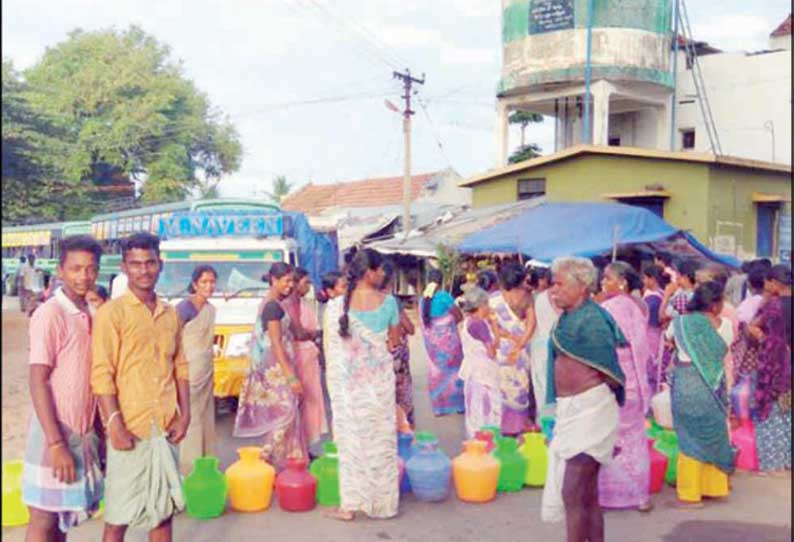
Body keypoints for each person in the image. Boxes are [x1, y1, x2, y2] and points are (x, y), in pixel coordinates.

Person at [91, 232, 190, 541]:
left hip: (165, 426)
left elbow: (180, 366)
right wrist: (113, 423)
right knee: (118, 516)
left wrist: (185, 414)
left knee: (162, 512)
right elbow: (101, 374)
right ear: (124, 267)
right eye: (135, 264)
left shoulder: (169, 313)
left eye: (149, 263)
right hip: (128, 427)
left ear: (160, 265)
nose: (143, 271)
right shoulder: (112, 313)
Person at [22, 236, 104, 542]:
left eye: (90, 269)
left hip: (81, 434)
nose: (83, 276)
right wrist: (56, 445)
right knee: (43, 520)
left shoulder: (93, 313)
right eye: (75, 269)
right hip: (53, 433)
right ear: (60, 270)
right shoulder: (50, 314)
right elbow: (38, 380)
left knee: (61, 524)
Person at [541, 257, 625, 542]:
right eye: (553, 284)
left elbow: (612, 372)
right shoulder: (569, 318)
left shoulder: (593, 321)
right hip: (573, 412)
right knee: (587, 495)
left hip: (593, 411)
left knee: (573, 492)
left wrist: (593, 399)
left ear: (582, 286)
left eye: (560, 284)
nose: (554, 290)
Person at [323, 248, 401, 521]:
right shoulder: (389, 303)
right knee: (381, 444)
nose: (383, 275)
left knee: (353, 445)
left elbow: (332, 355)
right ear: (370, 272)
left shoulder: (335, 307)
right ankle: (384, 505)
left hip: (350, 391)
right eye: (380, 270)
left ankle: (350, 505)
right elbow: (394, 343)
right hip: (379, 387)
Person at [666, 281, 736, 508]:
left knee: (688, 437)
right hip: (712, 386)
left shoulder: (680, 323)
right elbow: (725, 347)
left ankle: (690, 494)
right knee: (713, 433)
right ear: (715, 305)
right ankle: (714, 488)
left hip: (686, 384)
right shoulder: (724, 325)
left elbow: (670, 341)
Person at [233, 263, 306, 469]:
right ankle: (266, 464)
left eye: (292, 281)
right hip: (277, 372)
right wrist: (291, 377)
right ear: (274, 280)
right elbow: (275, 344)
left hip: (277, 370)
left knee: (284, 419)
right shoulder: (272, 306)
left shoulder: (275, 303)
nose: (290, 286)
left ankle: (282, 466)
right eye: (286, 281)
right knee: (282, 420)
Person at [597, 262, 653, 512]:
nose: (602, 283)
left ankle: (610, 496)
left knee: (609, 438)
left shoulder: (608, 308)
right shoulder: (638, 306)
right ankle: (640, 496)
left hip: (614, 383)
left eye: (607, 278)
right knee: (635, 442)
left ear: (622, 282)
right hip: (637, 384)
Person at [733, 264, 791, 474]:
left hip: (775, 366)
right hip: (787, 366)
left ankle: (773, 465)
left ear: (775, 283)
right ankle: (787, 462)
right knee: (787, 412)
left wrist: (759, 335)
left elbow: (753, 328)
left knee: (771, 412)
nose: (765, 286)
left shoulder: (773, 306)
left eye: (768, 282)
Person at [175, 265, 218, 475]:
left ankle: (206, 465)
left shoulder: (210, 309)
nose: (209, 286)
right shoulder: (185, 308)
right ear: (195, 284)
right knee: (189, 419)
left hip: (206, 370)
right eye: (204, 282)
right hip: (188, 372)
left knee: (206, 417)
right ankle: (187, 469)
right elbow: (172, 337)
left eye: (212, 282)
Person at [490, 261, 536, 434]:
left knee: (501, 393)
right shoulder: (527, 297)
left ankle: (501, 433)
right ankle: (518, 431)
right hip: (520, 353)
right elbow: (531, 325)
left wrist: (507, 338)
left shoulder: (493, 299)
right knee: (520, 391)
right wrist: (520, 344)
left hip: (501, 353)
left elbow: (492, 327)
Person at [292, 267, 328, 456]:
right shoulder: (292, 305)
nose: (309, 286)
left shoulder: (304, 304)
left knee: (310, 403)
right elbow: (299, 333)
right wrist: (314, 334)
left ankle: (305, 447)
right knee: (303, 403)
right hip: (300, 356)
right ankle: (299, 449)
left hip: (309, 357)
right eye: (306, 282)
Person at [419, 268, 465, 417]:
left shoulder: (423, 300)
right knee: (454, 371)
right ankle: (458, 405)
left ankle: (439, 408)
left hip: (432, 346)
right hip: (449, 344)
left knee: (436, 373)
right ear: (441, 281)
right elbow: (458, 316)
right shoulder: (445, 297)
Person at [458, 287, 502, 439]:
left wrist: (493, 322)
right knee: (488, 413)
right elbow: (492, 351)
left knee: (475, 413)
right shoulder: (480, 325)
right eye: (487, 304)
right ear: (481, 305)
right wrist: (494, 323)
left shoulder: (468, 322)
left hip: (473, 372)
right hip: (484, 374)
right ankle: (487, 448)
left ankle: (475, 449)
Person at [381, 260, 416, 427]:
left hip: (378, 357)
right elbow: (410, 328)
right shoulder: (391, 302)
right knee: (401, 392)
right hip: (396, 355)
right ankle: (405, 426)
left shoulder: (362, 301)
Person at [642, 265, 668, 392]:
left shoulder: (653, 299)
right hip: (657, 334)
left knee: (649, 367)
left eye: (645, 278)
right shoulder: (662, 294)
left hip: (650, 334)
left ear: (652, 279)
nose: (644, 281)